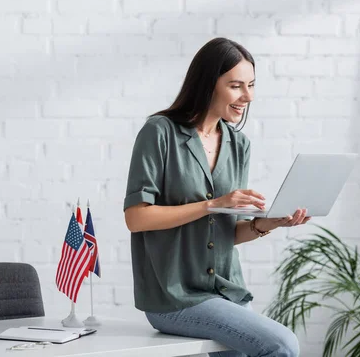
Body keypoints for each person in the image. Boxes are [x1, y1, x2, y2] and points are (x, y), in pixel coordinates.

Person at [123, 37, 311, 357]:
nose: (247, 96)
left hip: (229, 294)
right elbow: (136, 218)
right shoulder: (159, 132)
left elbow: (226, 234)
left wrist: (267, 223)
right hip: (174, 299)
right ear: (208, 84)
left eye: (251, 85)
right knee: (282, 344)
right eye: (236, 86)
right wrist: (213, 204)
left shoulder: (239, 145)